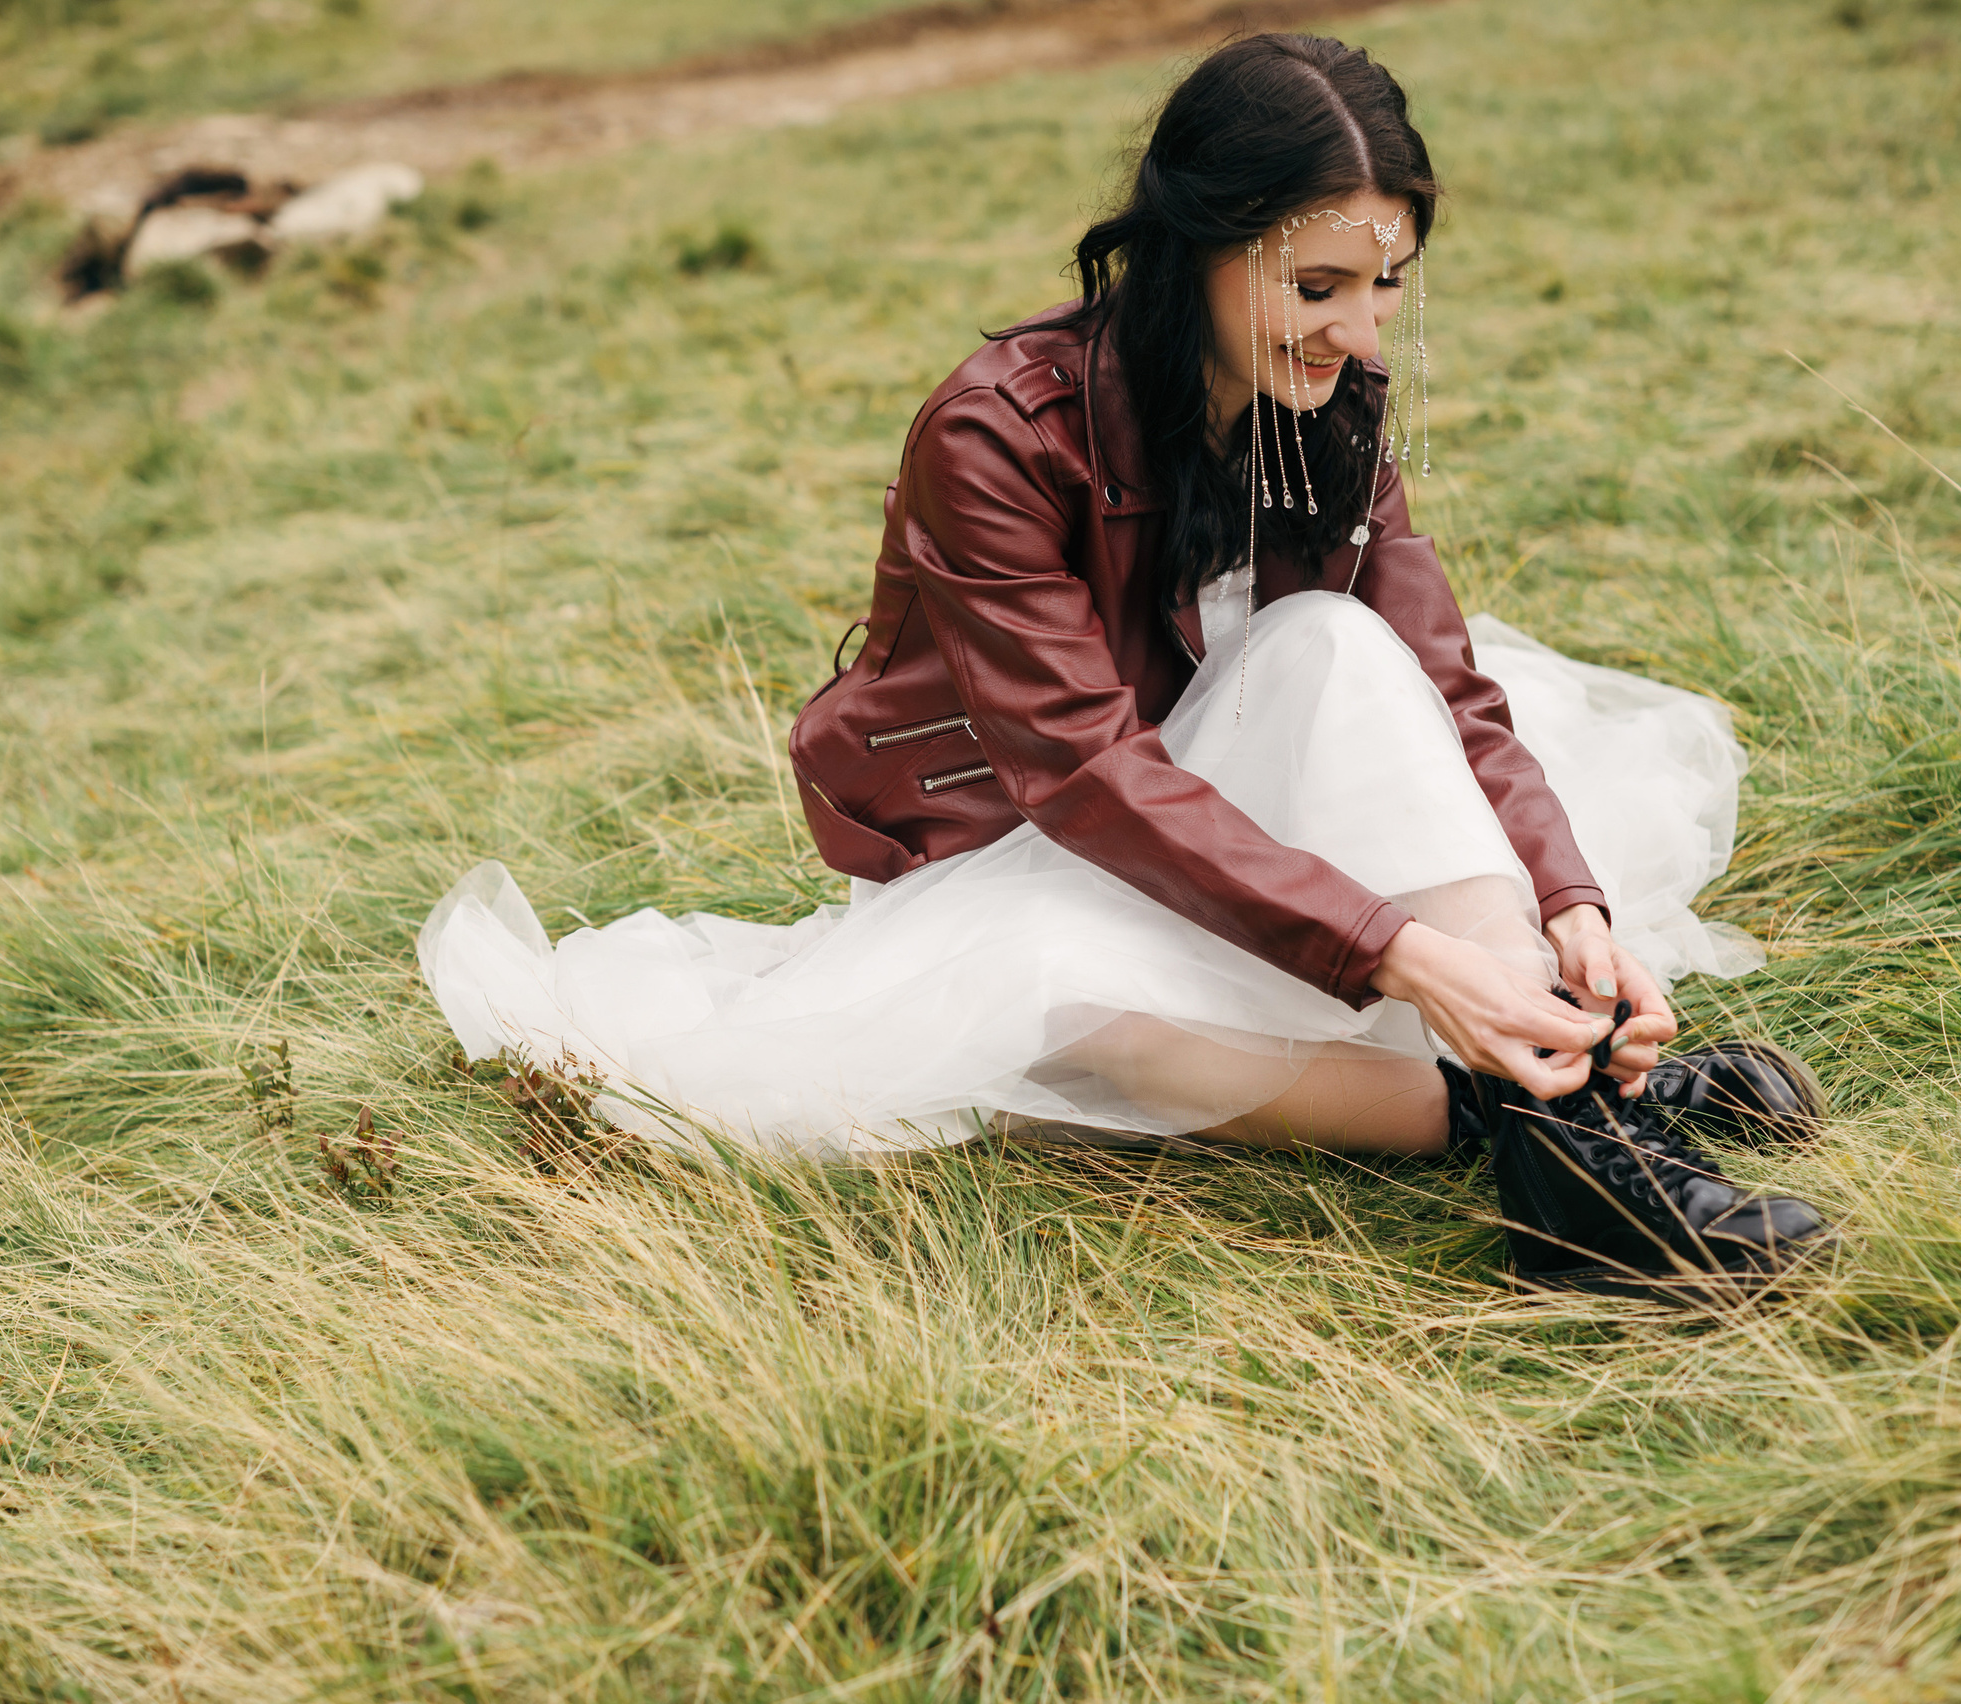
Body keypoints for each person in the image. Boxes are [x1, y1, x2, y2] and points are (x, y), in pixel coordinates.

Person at [422, 34, 1835, 1300]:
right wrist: (1404, 956)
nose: (1358, 331)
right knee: (1052, 1035)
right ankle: (1528, 1107)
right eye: (1318, 285)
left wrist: (1572, 905)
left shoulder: (1331, 408)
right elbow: (1083, 774)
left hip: (1254, 801)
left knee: (1337, 646)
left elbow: (1446, 691)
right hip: (1022, 845)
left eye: (1387, 287)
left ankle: (1580, 1161)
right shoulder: (995, 437)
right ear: (1198, 252)